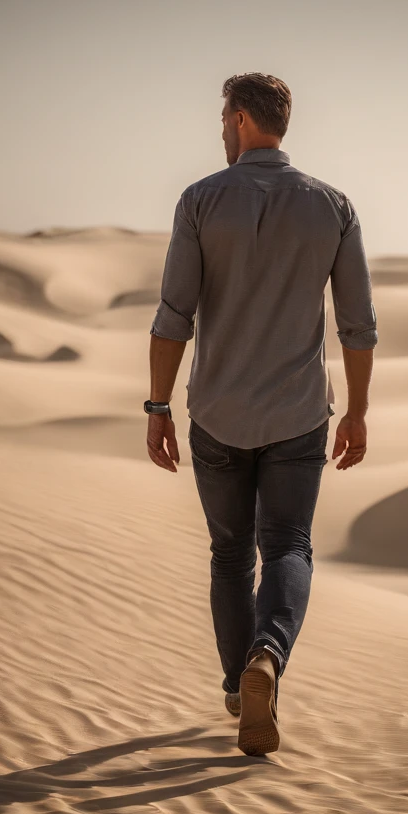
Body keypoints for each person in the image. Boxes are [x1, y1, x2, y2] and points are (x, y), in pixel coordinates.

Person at [145, 72, 378, 755]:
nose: (220, 128)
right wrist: (358, 411)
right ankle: (266, 659)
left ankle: (232, 683)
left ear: (243, 119)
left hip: (217, 412)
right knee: (288, 546)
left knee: (228, 554)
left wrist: (157, 406)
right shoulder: (332, 205)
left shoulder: (199, 200)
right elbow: (358, 326)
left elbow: (172, 317)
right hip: (299, 414)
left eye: (223, 116)